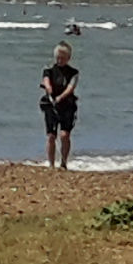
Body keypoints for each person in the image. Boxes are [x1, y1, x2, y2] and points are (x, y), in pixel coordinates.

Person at [39, 41, 79, 171]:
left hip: (67, 106)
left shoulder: (73, 72)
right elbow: (46, 81)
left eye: (62, 58)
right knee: (51, 135)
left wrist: (61, 97)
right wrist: (49, 89)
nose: (60, 60)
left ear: (68, 58)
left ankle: (63, 162)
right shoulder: (49, 70)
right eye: (58, 57)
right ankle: (51, 164)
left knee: (64, 135)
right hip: (50, 105)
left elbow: (71, 87)